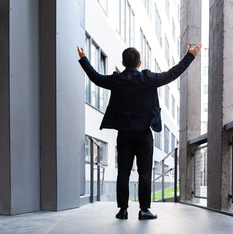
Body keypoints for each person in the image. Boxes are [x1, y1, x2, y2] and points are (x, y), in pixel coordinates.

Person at [77, 43, 201, 220]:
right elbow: (172, 73)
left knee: (123, 173)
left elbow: (96, 78)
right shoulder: (148, 78)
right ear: (139, 63)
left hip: (124, 135)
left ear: (122, 62)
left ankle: (123, 210)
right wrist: (190, 55)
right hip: (143, 135)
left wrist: (84, 59)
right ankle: (144, 210)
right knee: (144, 173)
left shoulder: (116, 80)